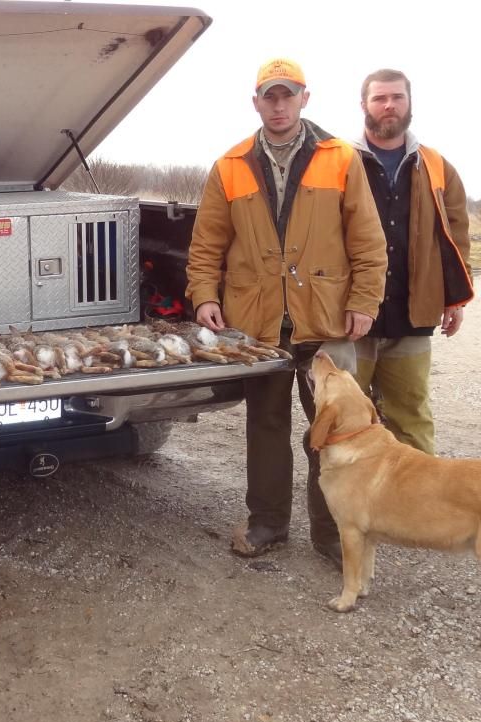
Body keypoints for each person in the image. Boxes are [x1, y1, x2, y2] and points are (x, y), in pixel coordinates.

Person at [185, 58, 388, 568]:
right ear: (256, 103)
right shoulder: (229, 165)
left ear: (305, 98)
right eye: (269, 97)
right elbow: (207, 244)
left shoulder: (341, 157)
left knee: (336, 430)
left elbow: (368, 240)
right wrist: (205, 296)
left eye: (288, 95)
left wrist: (364, 301)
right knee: (265, 425)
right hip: (257, 324)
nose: (279, 105)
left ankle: (333, 531)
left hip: (326, 320)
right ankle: (268, 522)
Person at [351, 69, 473, 455]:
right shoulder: (339, 161)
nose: (389, 105)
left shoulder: (436, 165)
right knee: (344, 424)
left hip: (411, 317)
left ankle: (417, 513)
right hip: (351, 319)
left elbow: (455, 234)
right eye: (380, 98)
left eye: (397, 97)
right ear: (364, 105)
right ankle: (341, 516)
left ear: (409, 104)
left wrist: (455, 298)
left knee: (412, 420)